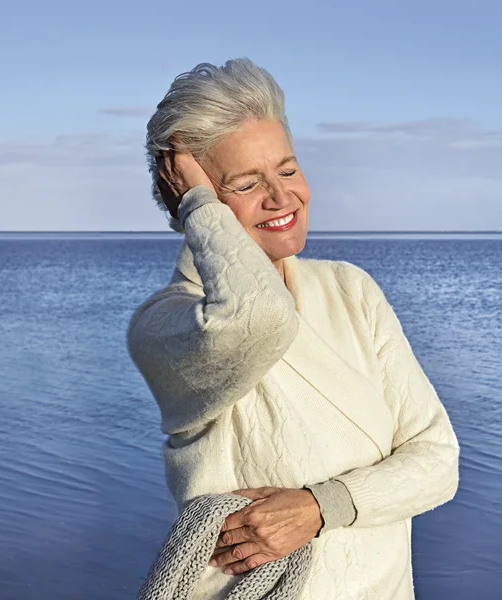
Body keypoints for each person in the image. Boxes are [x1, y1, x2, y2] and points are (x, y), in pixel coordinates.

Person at [125, 58, 460, 600]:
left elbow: (438, 462)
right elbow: (259, 318)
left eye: (286, 169)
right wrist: (194, 205)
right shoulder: (165, 326)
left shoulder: (351, 291)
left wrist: (319, 506)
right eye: (246, 183)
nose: (282, 199)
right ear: (196, 202)